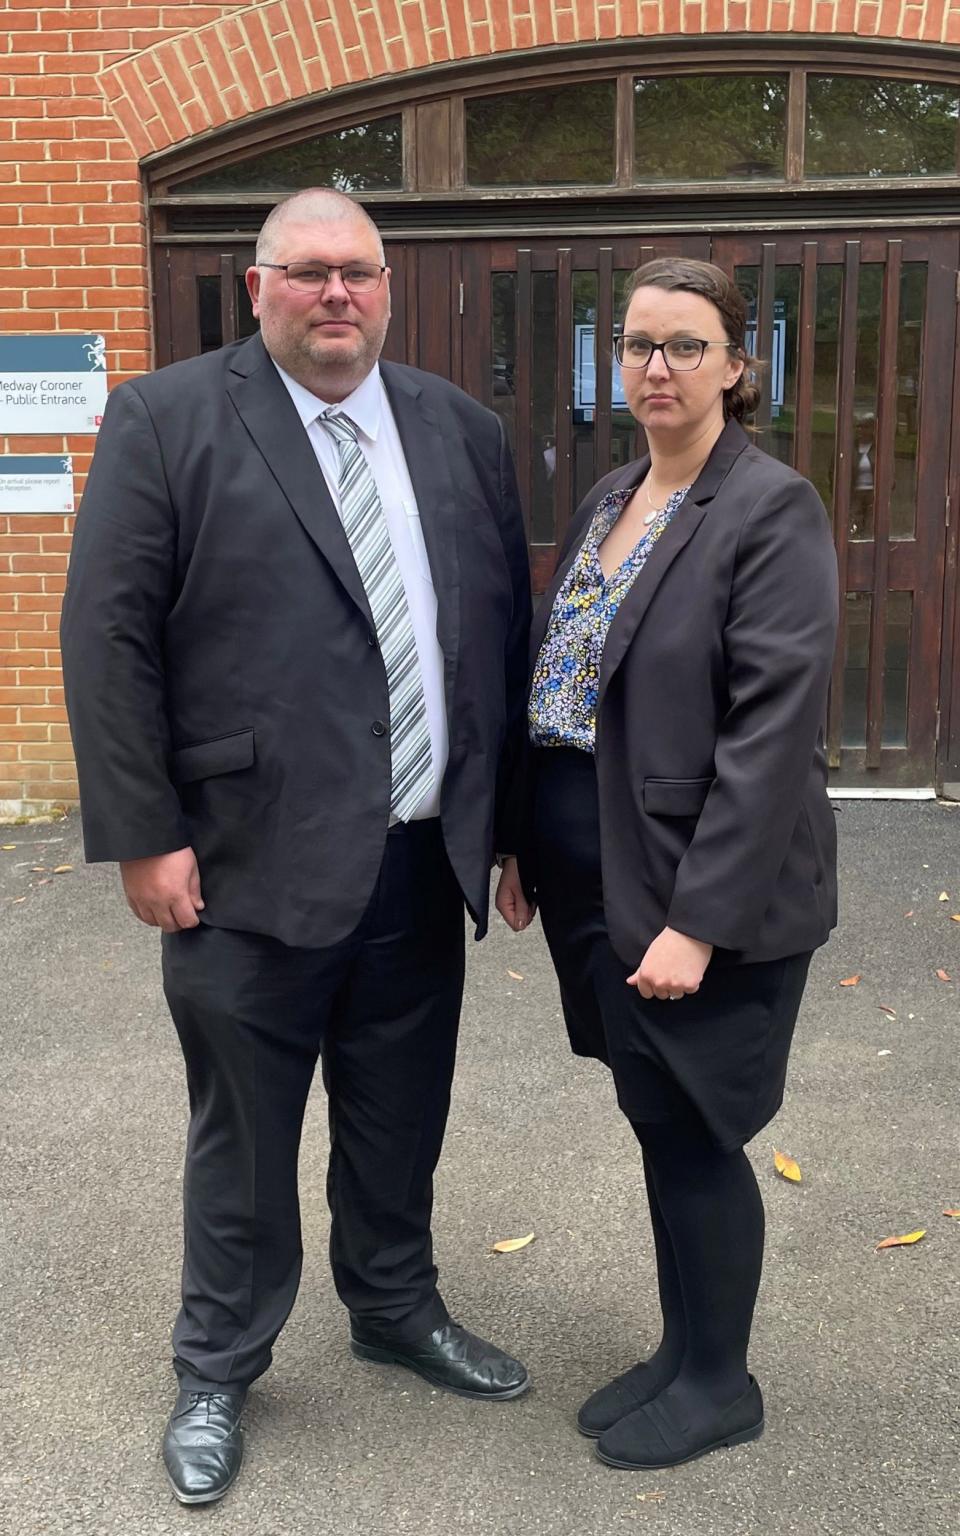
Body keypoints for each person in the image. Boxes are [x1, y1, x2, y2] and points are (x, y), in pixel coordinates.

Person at [61, 188, 532, 1506]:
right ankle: (218, 1364)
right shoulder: (171, 419)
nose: (337, 296)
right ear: (257, 286)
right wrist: (144, 838)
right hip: (240, 864)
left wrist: (506, 834)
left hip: (418, 859)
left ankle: (394, 1306)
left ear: (388, 288)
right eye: (308, 273)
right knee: (246, 1136)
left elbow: (498, 637)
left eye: (359, 274)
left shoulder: (460, 430)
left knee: (400, 1116)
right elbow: (108, 641)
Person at [496, 258, 838, 1472]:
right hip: (596, 873)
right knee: (655, 1115)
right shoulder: (612, 496)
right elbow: (566, 683)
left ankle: (719, 1381)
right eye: (637, 344)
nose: (656, 368)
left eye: (687, 346)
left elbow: (769, 736)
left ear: (739, 367)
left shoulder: (770, 508)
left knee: (698, 1129)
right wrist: (523, 839)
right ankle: (683, 1347)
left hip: (703, 894)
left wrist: (696, 923)